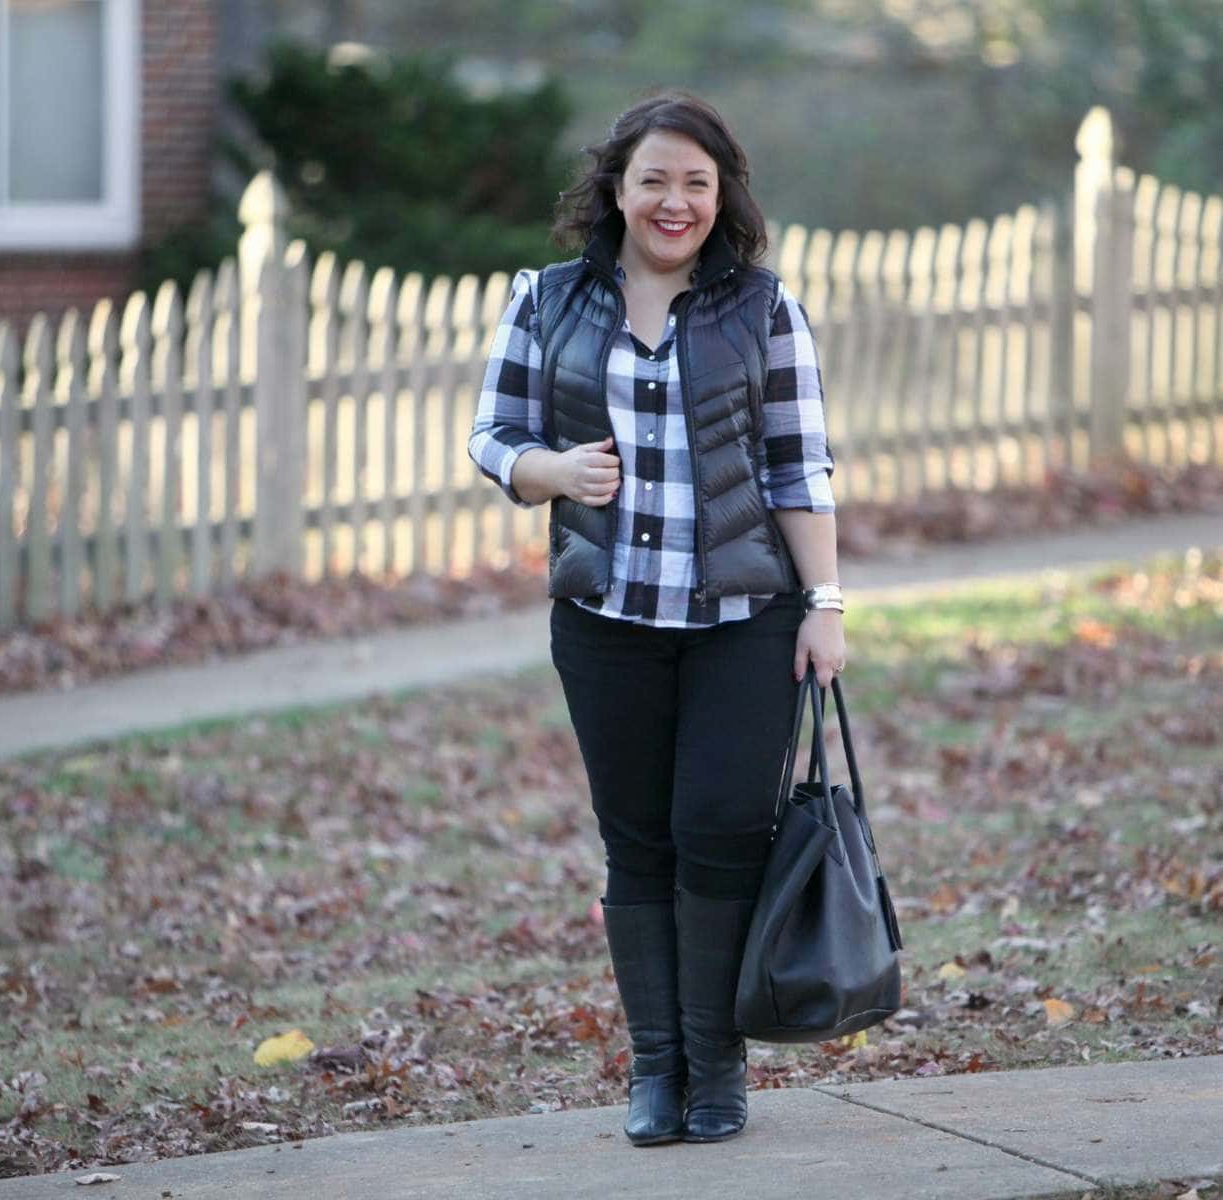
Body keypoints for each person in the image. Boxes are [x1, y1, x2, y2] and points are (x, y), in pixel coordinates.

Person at [467, 91, 845, 1146]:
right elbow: (493, 434)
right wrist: (549, 470)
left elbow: (798, 466)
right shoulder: (548, 301)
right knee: (635, 844)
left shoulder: (764, 311)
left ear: (722, 197)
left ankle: (717, 1072)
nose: (674, 202)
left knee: (721, 834)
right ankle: (656, 1073)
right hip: (606, 619)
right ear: (617, 189)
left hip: (744, 619)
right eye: (654, 180)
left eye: (696, 183)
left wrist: (825, 604)